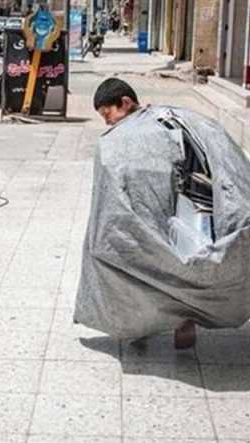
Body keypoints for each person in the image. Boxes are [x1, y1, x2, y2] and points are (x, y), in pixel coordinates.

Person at [91, 78, 197, 349]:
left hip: (160, 211)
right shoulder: (163, 123)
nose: (107, 122)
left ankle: (171, 322)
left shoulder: (156, 125)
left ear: (125, 103)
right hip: (145, 212)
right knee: (164, 265)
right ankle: (159, 321)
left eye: (108, 114)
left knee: (155, 265)